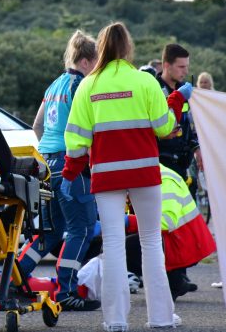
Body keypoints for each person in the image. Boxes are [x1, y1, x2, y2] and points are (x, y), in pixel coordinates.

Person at [62, 22, 189, 331]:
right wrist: (177, 99)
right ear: (128, 47)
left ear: (101, 47)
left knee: (115, 245)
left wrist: (69, 174)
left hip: (106, 176)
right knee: (151, 242)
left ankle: (116, 320)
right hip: (145, 171)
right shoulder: (145, 81)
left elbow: (76, 140)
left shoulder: (88, 86)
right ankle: (160, 318)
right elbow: (163, 126)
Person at [24, 30, 100, 311]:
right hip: (72, 164)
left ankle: (17, 277)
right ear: (85, 61)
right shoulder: (81, 86)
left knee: (50, 231)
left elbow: (37, 126)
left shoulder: (53, 85)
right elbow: (88, 127)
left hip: (46, 163)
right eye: (96, 63)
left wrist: (49, 153)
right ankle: (66, 291)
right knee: (81, 228)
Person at [125, 164, 216, 301]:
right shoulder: (147, 176)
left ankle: (174, 282)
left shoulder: (165, 180)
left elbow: (166, 221)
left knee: (128, 247)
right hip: (178, 241)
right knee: (124, 243)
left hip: (185, 244)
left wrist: (127, 221)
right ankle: (174, 280)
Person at [156, 44, 202, 189]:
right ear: (166, 65)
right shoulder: (154, 90)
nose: (186, 71)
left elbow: (189, 125)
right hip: (163, 165)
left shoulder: (185, 91)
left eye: (187, 66)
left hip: (184, 166)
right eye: (181, 67)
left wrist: (196, 148)